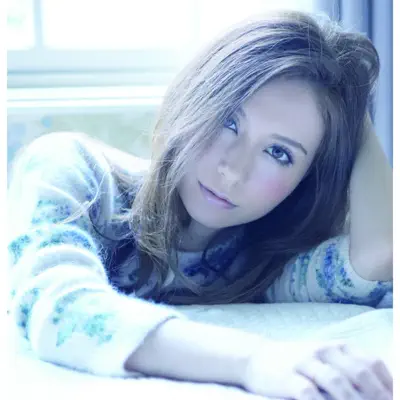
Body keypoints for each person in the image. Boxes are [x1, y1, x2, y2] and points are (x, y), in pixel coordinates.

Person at [7, 10, 393, 400]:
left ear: (304, 179)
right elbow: (60, 310)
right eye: (228, 121)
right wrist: (255, 360)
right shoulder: (74, 171)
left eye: (279, 153)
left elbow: (380, 255)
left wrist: (350, 104)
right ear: (194, 99)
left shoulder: (263, 266)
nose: (233, 170)